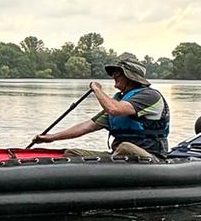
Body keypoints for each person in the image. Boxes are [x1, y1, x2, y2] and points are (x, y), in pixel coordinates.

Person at [30, 57, 170, 161]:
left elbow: (114, 109)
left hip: (150, 158)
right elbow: (86, 126)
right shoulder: (119, 99)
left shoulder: (149, 96)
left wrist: (97, 89)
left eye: (118, 73)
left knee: (125, 147)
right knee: (71, 154)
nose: (113, 76)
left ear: (130, 76)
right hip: (119, 157)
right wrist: (51, 138)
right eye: (113, 73)